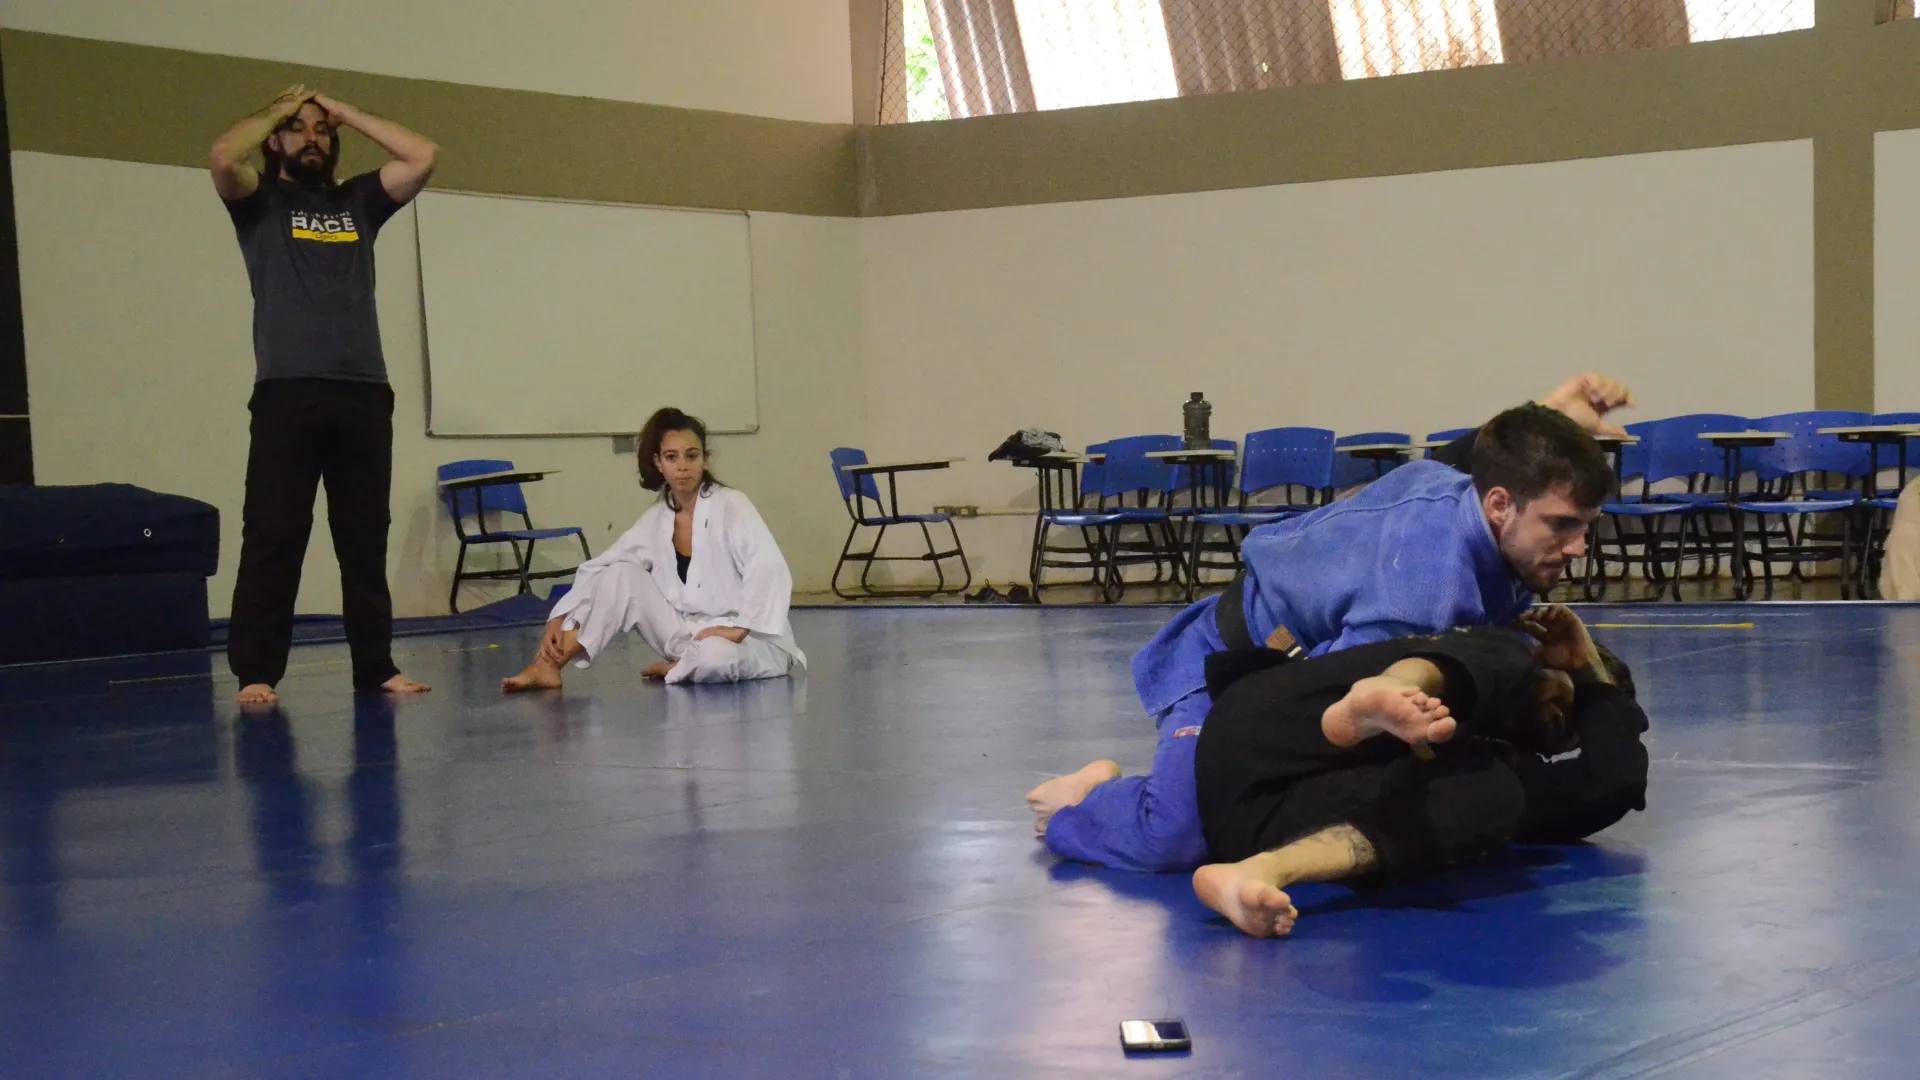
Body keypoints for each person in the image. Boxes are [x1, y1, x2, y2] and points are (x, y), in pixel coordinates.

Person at [1027, 378, 1628, 872]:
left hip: (1292, 653)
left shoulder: (1461, 491)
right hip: (1225, 666)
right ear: (1499, 505)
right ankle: (1087, 801)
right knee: (1180, 837)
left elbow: (1473, 453)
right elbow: (1306, 710)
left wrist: (1554, 413)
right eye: (1560, 525)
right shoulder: (1420, 592)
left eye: (1585, 526)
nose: (1578, 547)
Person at [1190, 606, 1648, 938]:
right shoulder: (1503, 654)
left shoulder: (1501, 766)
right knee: (1506, 654)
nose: (1561, 718)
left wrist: (1594, 685)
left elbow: (1614, 781)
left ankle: (1258, 873)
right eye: (1564, 696)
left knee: (1497, 794)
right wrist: (1572, 663)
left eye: (1571, 729)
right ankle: (1389, 688)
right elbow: (1500, 658)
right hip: (1266, 727)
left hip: (1252, 826)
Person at [210, 86, 439, 707]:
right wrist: (275, 110)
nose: (312, 138)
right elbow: (224, 156)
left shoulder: (357, 201)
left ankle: (376, 666)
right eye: (298, 129)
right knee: (274, 534)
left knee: (364, 536)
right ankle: (257, 671)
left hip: (363, 392)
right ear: (275, 141)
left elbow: (422, 155)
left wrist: (347, 113)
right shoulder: (259, 201)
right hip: (287, 391)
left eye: (322, 130)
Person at [503, 408, 805, 690]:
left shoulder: (731, 505)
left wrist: (740, 628)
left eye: (692, 455)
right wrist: (559, 617)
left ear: (705, 459)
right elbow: (604, 566)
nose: (683, 466)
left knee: (715, 656)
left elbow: (768, 565)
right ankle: (547, 665)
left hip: (749, 642)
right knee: (621, 574)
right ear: (659, 464)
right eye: (672, 457)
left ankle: (683, 667)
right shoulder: (657, 519)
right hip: (690, 635)